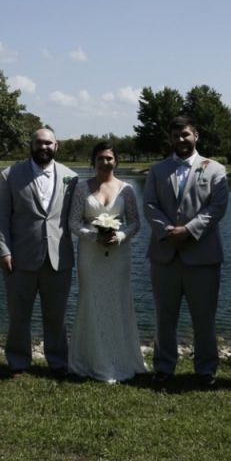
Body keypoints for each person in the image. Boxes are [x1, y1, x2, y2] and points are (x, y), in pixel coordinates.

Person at [143, 116, 229, 387]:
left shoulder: (215, 170)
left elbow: (217, 207)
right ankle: (164, 368)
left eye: (186, 135)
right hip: (165, 255)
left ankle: (205, 371)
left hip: (202, 255)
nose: (181, 140)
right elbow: (149, 205)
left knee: (204, 318)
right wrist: (168, 231)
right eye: (176, 135)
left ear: (196, 135)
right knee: (164, 318)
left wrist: (190, 230)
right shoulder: (157, 171)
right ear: (170, 138)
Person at [0, 128, 78, 378]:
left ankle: (58, 361)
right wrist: (3, 252)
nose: (44, 147)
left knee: (57, 315)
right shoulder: (10, 175)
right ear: (31, 144)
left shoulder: (70, 177)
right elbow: (0, 219)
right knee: (19, 315)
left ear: (56, 146)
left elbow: (76, 217)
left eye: (48, 143)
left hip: (58, 257)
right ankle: (18, 361)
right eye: (39, 143)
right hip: (19, 258)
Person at [67, 142, 147, 382]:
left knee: (118, 301)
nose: (105, 163)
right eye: (101, 158)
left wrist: (120, 236)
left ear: (116, 161)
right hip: (90, 254)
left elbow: (134, 222)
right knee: (91, 300)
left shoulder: (127, 189)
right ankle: (91, 359)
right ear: (94, 161)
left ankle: (121, 359)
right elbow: (73, 222)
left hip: (118, 255)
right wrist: (93, 236)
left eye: (109, 158)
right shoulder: (82, 188)